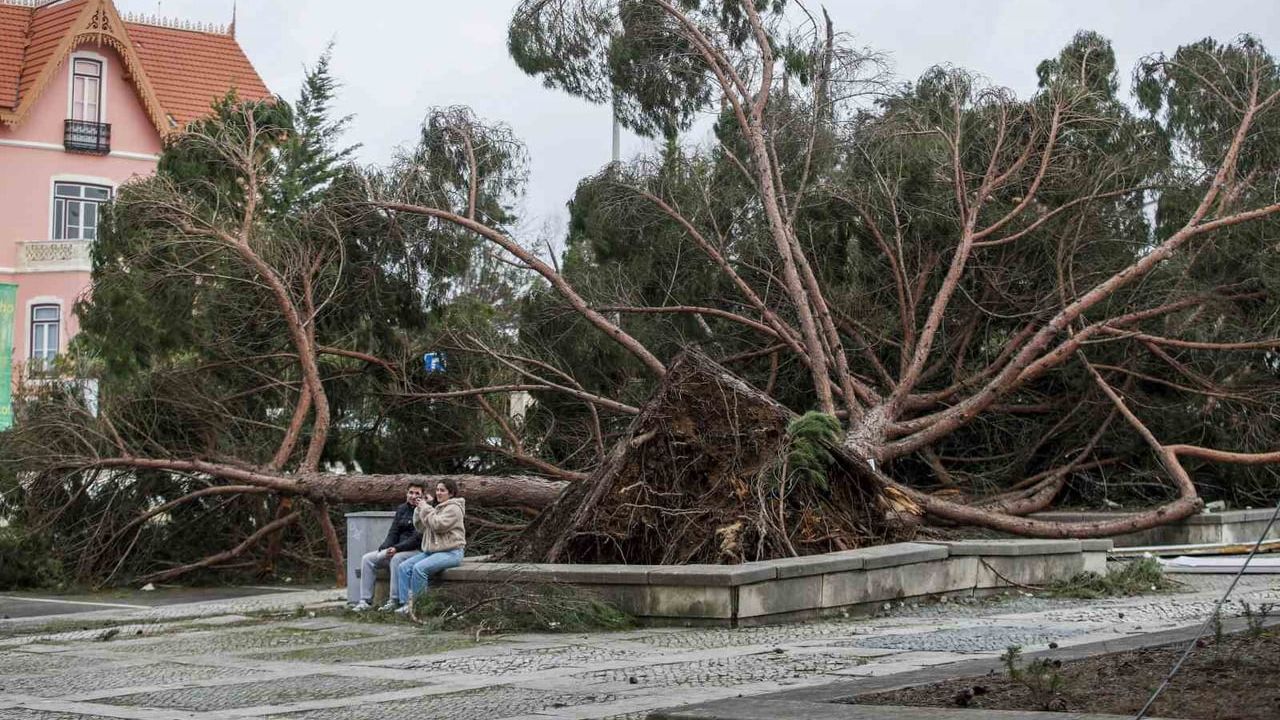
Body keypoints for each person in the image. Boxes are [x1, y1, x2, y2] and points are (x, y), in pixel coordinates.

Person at [393, 479, 465, 613]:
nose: (438, 493)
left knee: (419, 569)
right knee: (403, 567)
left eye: (442, 490)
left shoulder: (454, 508)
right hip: (433, 552)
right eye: (437, 490)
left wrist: (425, 507)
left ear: (451, 493)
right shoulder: (437, 508)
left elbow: (438, 525)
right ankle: (405, 605)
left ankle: (419, 607)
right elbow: (420, 527)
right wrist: (418, 508)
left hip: (452, 553)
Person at [351, 482, 425, 612]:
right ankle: (365, 601)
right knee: (367, 559)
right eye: (411, 493)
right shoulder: (402, 509)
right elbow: (393, 532)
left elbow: (416, 539)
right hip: (396, 548)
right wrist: (384, 547)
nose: (413, 496)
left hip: (415, 551)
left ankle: (393, 600)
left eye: (417, 493)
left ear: (423, 496)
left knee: (396, 559)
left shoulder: (424, 510)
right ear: (406, 494)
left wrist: (396, 549)